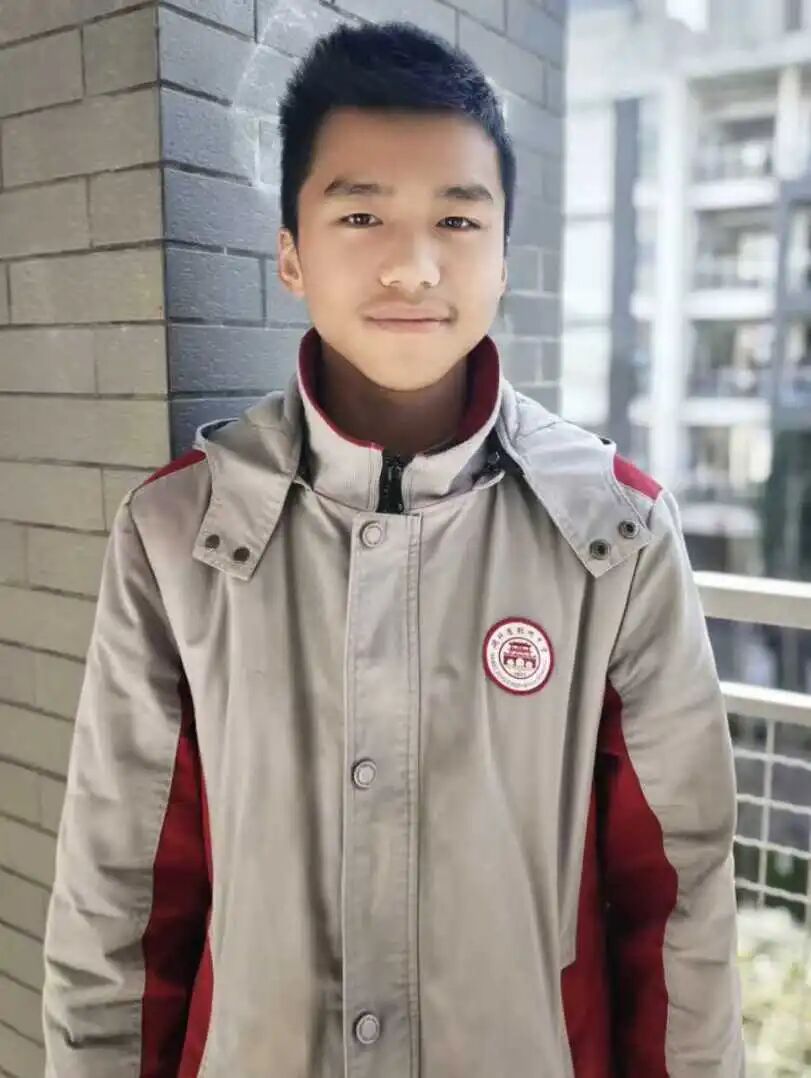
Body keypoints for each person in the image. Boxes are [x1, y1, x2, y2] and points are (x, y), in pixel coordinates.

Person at [42, 19, 744, 1077]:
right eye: (361, 214)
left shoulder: (616, 534)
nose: (413, 267)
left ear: (503, 258)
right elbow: (121, 903)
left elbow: (677, 899)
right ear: (290, 252)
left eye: (457, 219)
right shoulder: (179, 534)